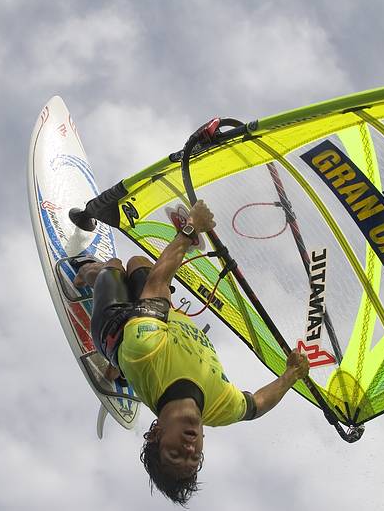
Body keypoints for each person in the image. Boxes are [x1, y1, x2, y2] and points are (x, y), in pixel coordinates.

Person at [73, 200, 309, 506]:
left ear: (154, 435)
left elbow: (159, 282)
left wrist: (190, 229)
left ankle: (82, 272)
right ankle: (117, 368)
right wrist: (292, 375)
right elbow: (257, 405)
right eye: (194, 459)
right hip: (162, 320)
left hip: (117, 328)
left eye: (174, 454)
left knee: (114, 268)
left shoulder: (145, 352)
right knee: (138, 263)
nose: (189, 450)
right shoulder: (221, 407)